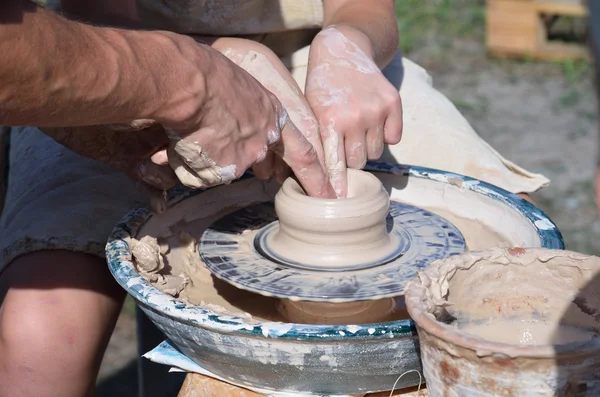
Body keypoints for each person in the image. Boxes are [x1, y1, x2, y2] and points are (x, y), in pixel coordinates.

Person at [0, 1, 549, 396]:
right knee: (40, 330)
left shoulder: (334, 48)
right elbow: (102, 24)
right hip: (112, 62)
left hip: (315, 54)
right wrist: (202, 61)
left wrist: (348, 46)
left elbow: (366, 9)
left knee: (516, 268)